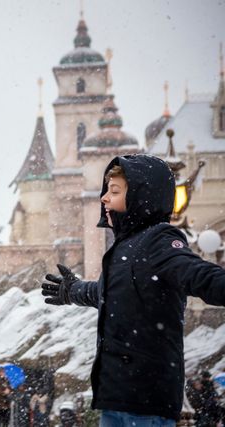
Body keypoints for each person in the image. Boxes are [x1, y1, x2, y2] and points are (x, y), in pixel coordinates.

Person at [41, 154, 225, 426]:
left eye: (114, 191)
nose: (104, 198)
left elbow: (199, 275)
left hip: (147, 400)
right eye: (106, 190)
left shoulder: (159, 241)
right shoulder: (124, 248)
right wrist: (73, 290)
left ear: (142, 196)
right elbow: (107, 293)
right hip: (116, 396)